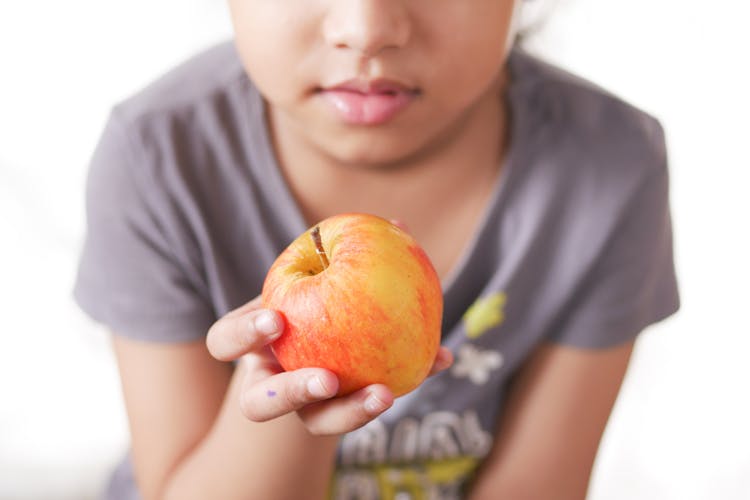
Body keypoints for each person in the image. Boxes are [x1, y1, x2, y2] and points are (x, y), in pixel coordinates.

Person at [73, 1, 680, 499]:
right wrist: (286, 392)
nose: (366, 30)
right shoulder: (158, 158)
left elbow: (537, 486)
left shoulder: (608, 169)